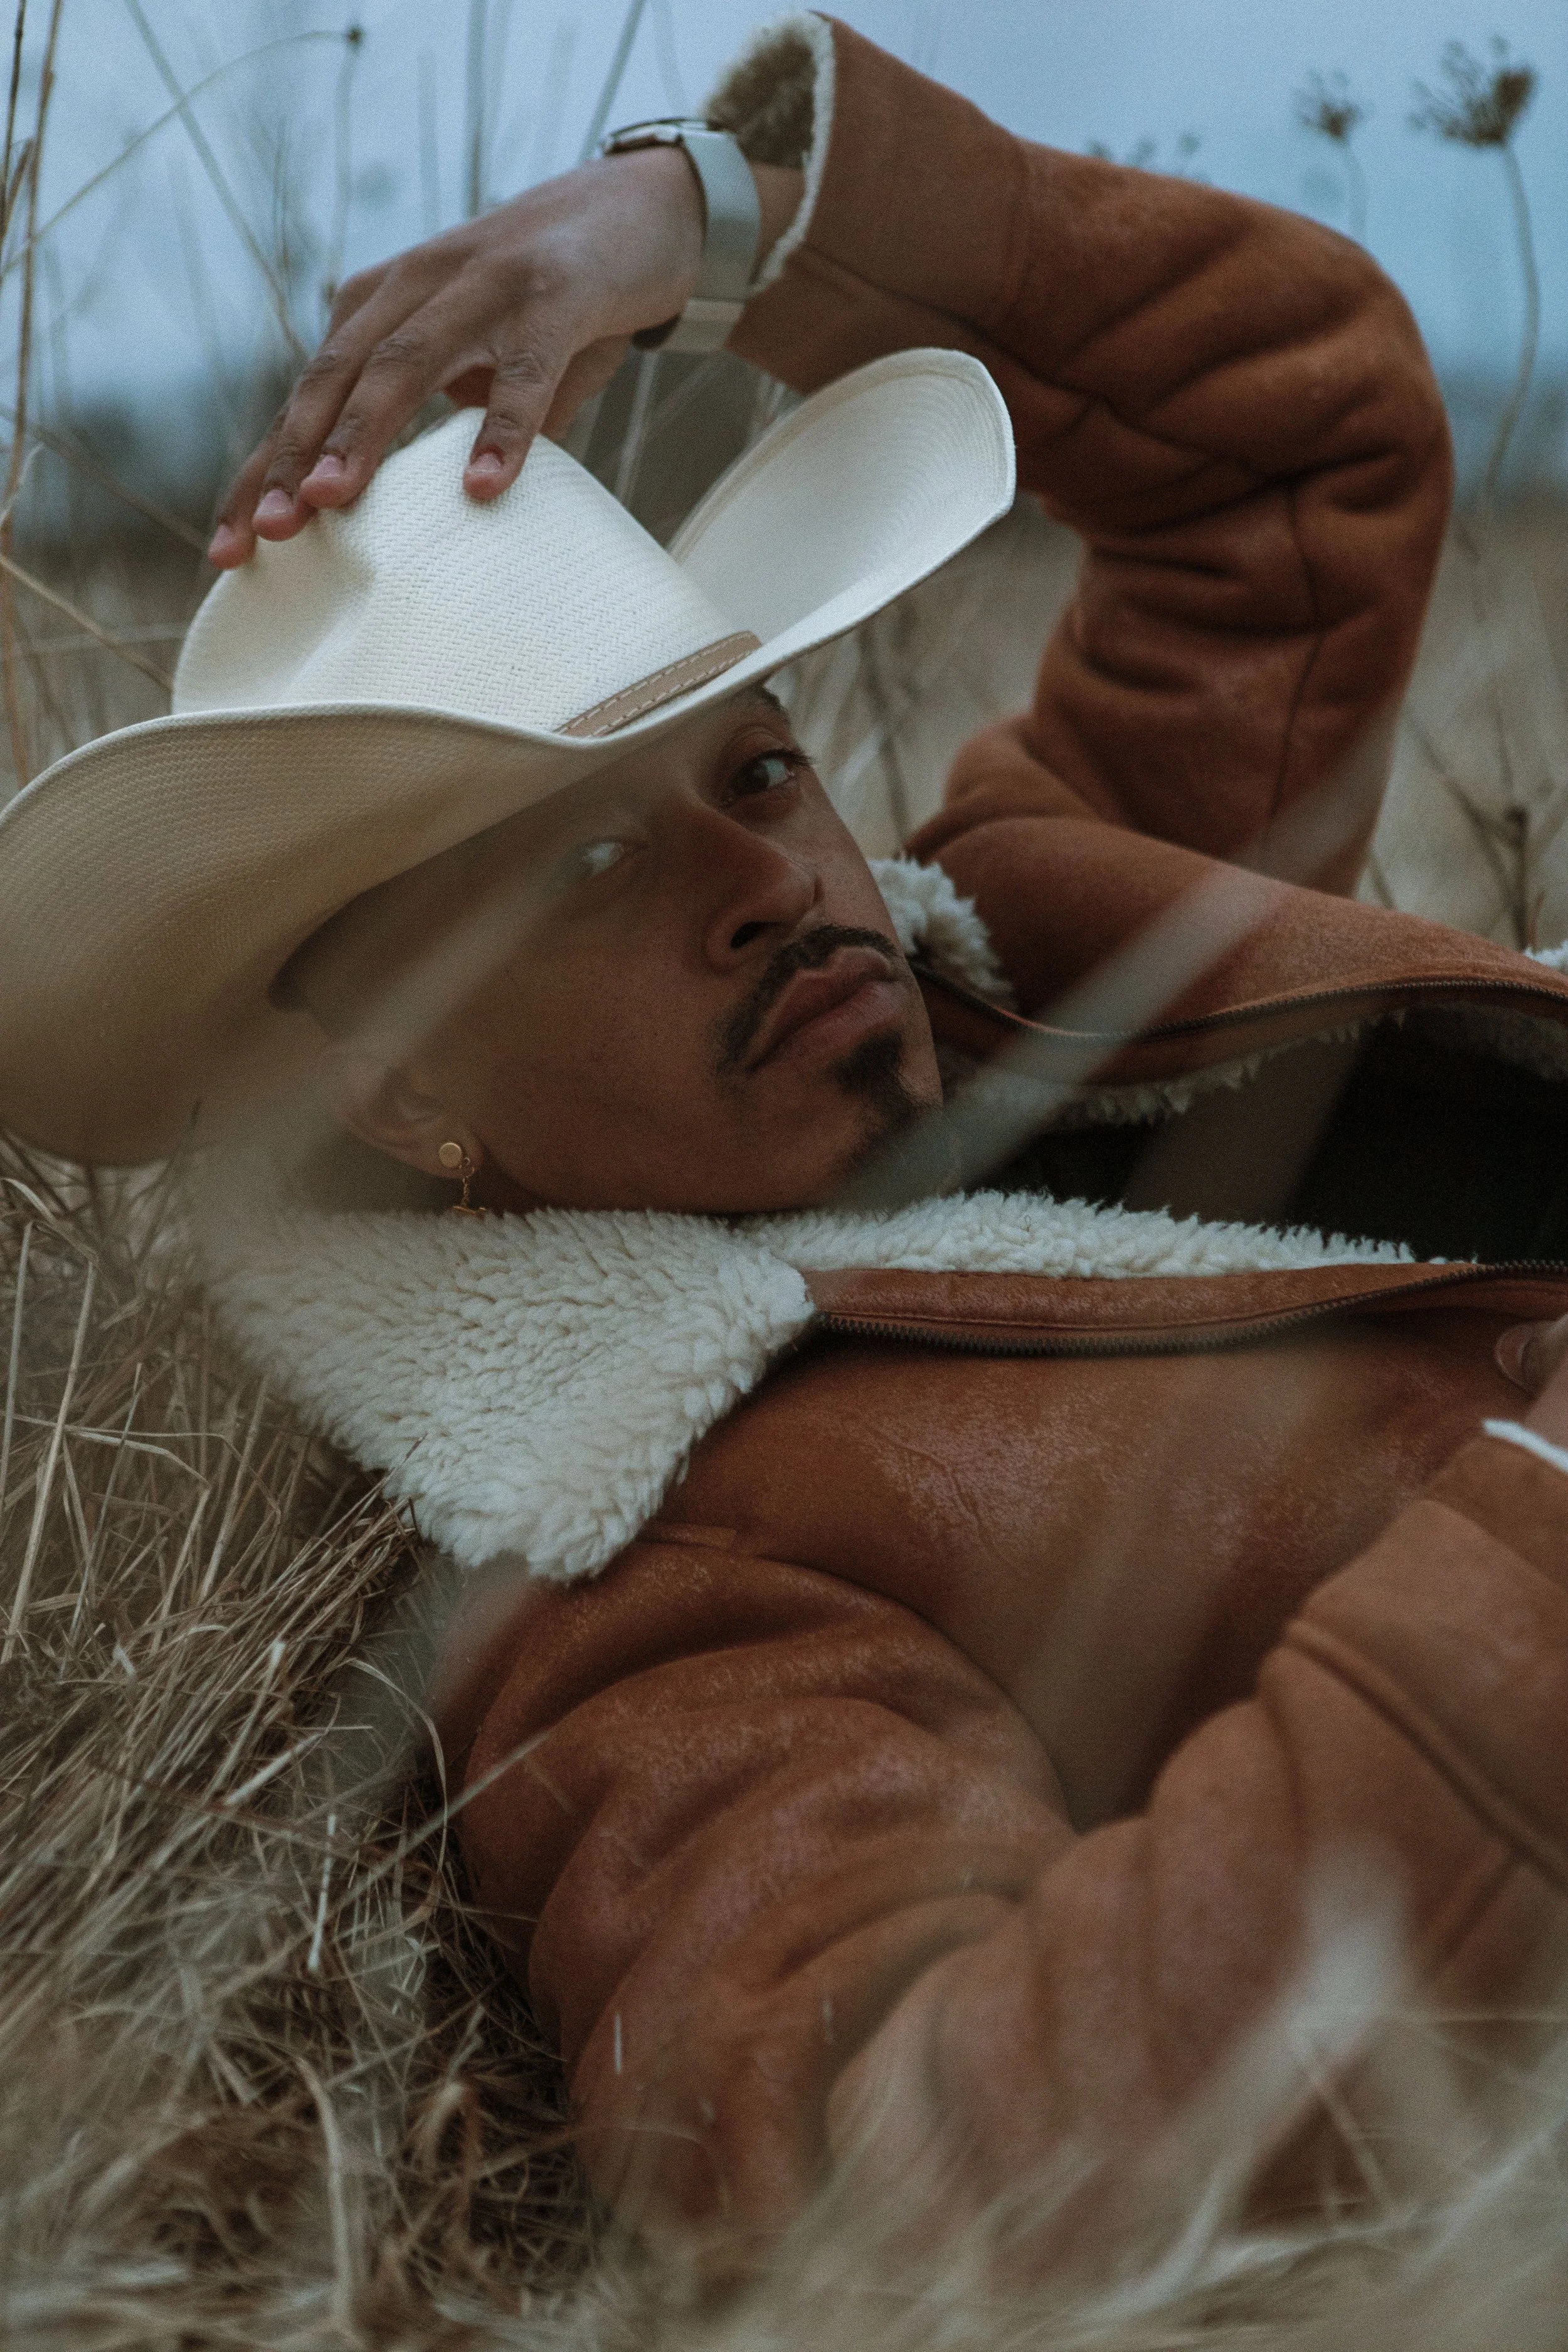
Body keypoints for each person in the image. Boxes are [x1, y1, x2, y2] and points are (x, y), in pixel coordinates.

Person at [6, 9, 1568, 2282]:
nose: (762, 878)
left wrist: (708, 219)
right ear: (392, 1083)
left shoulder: (1040, 928)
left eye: (749, 771)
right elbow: (918, 2186)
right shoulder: (626, 1597)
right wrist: (1531, 1544)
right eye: (568, 873)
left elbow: (1282, 451)